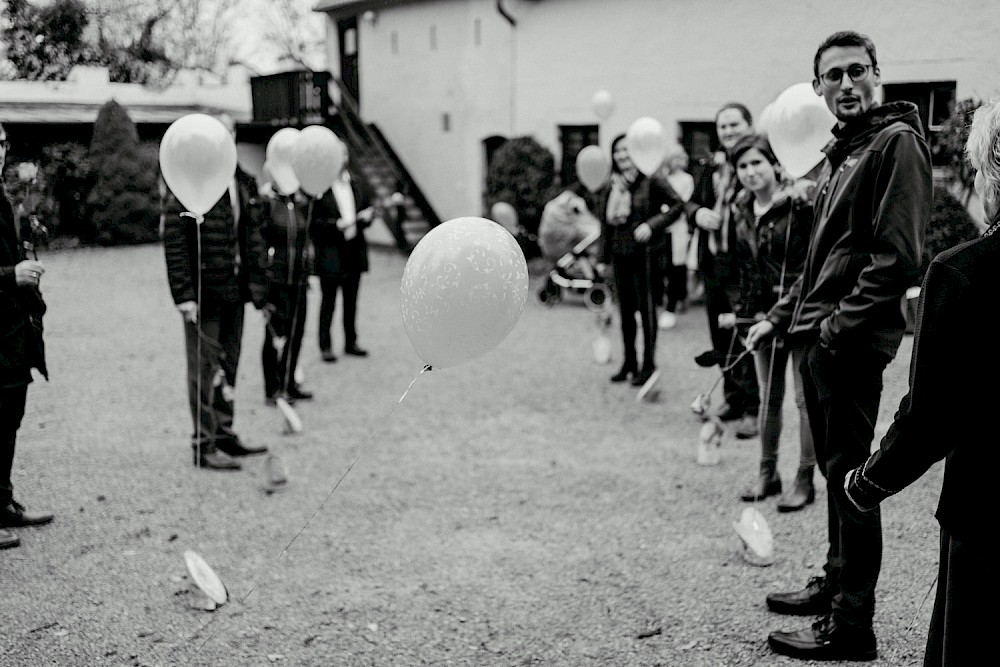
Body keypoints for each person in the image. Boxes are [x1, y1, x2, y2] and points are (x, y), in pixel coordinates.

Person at [746, 30, 931, 661]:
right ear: (818, 85)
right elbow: (820, 259)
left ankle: (853, 625)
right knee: (833, 471)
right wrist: (783, 316)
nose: (845, 84)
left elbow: (897, 257)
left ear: (877, 73)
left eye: (857, 71)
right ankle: (836, 581)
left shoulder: (895, 144)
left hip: (846, 345)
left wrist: (833, 329)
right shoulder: (844, 150)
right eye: (833, 76)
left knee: (853, 481)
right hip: (818, 339)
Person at [842, 98, 1000, 667]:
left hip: (991, 512)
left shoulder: (963, 271)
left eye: (979, 169)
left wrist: (868, 483)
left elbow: (932, 414)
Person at [162, 114, 269, 471]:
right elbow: (175, 242)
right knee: (203, 369)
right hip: (203, 294)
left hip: (234, 292)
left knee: (229, 365)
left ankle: (224, 433)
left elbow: (251, 238)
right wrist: (183, 295)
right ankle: (203, 444)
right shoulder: (189, 180)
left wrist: (258, 290)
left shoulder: (241, 181)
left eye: (229, 131)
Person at [722, 134, 815, 510]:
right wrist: (745, 315)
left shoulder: (798, 204)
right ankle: (768, 473)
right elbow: (743, 268)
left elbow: (809, 266)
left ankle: (805, 478)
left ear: (774, 163)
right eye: (742, 166)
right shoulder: (740, 209)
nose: (750, 172)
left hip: (798, 312)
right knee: (768, 398)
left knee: (803, 399)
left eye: (757, 163)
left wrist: (781, 313)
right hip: (760, 317)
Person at [596, 134, 694, 386]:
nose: (621, 155)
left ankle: (649, 364)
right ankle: (629, 361)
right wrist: (602, 258)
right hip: (620, 255)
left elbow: (677, 206)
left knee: (647, 310)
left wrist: (652, 225)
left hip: (647, 255)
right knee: (625, 311)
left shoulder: (651, 179)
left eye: (626, 150)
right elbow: (605, 225)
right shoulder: (613, 185)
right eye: (617, 151)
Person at [689, 103, 760, 439]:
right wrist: (698, 214)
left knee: (743, 333)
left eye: (734, 125)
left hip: (742, 265)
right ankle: (732, 399)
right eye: (723, 127)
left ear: (749, 125)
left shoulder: (756, 161)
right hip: (712, 262)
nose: (729, 132)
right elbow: (688, 203)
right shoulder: (710, 167)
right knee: (720, 335)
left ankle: (752, 410)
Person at [0, 122, 54, 549]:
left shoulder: (2, 197)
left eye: (1, 143)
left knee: (9, 414)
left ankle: (2, 502)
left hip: (12, 325)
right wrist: (9, 275)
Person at [310, 156, 374, 363]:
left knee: (351, 300)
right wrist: (335, 224)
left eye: (343, 155)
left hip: (354, 249)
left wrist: (367, 217)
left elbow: (366, 206)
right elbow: (314, 223)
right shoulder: (321, 188)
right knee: (328, 301)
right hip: (331, 251)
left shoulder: (356, 184)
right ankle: (325, 344)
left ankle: (350, 341)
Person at [260, 175, 314, 402]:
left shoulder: (301, 203)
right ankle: (272, 388)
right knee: (275, 334)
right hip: (276, 281)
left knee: (296, 332)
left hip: (299, 281)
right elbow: (259, 241)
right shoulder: (268, 202)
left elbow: (306, 239)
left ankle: (289, 381)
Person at [658, 144, 695, 329]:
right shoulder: (664, 179)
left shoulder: (687, 179)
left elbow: (683, 202)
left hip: (678, 227)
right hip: (662, 228)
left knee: (677, 268)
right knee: (661, 267)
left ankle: (674, 303)